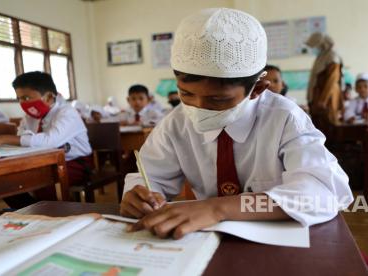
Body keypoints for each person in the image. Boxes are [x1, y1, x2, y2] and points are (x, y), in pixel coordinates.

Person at [120, 8, 353, 239]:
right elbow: (151, 176)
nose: (199, 108)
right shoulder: (175, 124)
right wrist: (141, 195)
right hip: (203, 240)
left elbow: (323, 194)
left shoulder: (284, 118)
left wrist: (218, 208)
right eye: (186, 94)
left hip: (278, 242)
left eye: (218, 99)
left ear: (257, 89)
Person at [0, 71, 93, 208]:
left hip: (74, 162)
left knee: (45, 184)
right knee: (6, 183)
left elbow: (50, 142)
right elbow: (21, 140)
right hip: (42, 162)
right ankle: (30, 211)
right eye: (19, 98)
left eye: (26, 98)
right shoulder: (30, 117)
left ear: (49, 97)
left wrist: (2, 139)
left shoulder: (67, 112)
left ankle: (49, 214)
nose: (22, 103)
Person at [305, 32, 343, 129]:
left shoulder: (332, 56)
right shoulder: (322, 56)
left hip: (327, 101)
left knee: (328, 129)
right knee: (318, 127)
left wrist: (323, 100)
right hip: (317, 99)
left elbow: (332, 80)